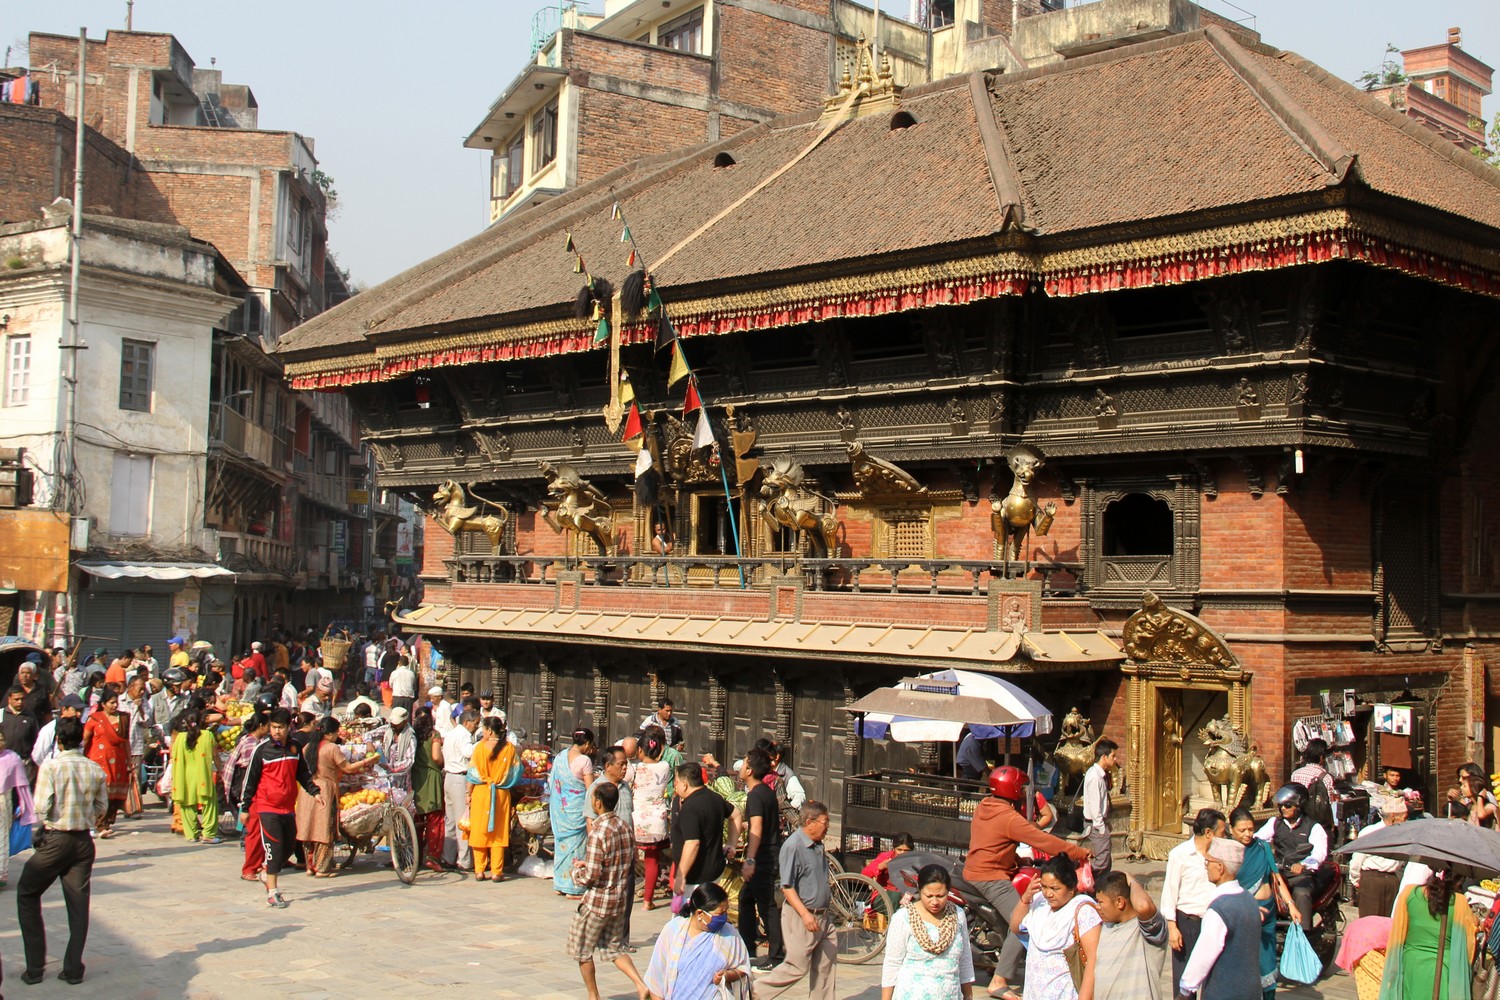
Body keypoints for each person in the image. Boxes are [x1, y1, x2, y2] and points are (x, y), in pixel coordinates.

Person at [964, 764, 1092, 1000]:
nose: (1023, 791)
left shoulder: (985, 806)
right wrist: (1077, 852)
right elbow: (1043, 841)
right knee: (1023, 922)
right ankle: (999, 980)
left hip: (974, 870)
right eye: (1021, 787)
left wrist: (1014, 857)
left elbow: (990, 842)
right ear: (1013, 790)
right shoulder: (1009, 818)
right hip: (991, 877)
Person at [17, 716, 106, 985]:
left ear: (58, 740)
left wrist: (39, 831)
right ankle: (73, 968)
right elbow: (101, 808)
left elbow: (41, 806)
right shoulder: (94, 768)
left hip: (56, 838)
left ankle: (35, 968)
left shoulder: (51, 767)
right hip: (82, 841)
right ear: (80, 739)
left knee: (27, 893)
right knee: (78, 907)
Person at [570, 781, 651, 1000]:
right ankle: (641, 984)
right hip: (619, 899)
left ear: (597, 803)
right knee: (614, 948)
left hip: (597, 901)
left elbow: (592, 875)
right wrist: (588, 864)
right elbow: (619, 860)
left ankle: (593, 995)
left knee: (582, 950)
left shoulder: (598, 832)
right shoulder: (623, 826)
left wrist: (576, 874)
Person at [239, 707, 320, 908]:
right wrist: (245, 807)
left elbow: (302, 773)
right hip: (267, 807)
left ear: (288, 727)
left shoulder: (294, 748)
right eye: (273, 727)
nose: (276, 731)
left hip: (288, 807)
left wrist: (315, 792)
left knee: (289, 846)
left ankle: (267, 872)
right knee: (273, 848)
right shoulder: (262, 750)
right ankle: (273, 892)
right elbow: (250, 780)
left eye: (280, 727)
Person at [756, 801, 836, 1000]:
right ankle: (755, 992)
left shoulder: (818, 844)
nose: (828, 827)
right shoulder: (793, 846)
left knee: (826, 967)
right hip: (802, 917)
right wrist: (805, 914)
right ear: (810, 822)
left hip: (824, 917)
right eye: (825, 822)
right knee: (797, 966)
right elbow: (787, 887)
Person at [1177, 837, 1261, 1000]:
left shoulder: (1220, 909)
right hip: (1251, 991)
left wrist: (1185, 989)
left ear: (1220, 867)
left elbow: (1204, 954)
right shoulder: (1250, 900)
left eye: (1208, 861)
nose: (1206, 866)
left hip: (1224, 992)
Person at [1227, 807, 1296, 1000]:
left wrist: (1291, 904)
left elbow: (1277, 878)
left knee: (1267, 964)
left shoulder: (1262, 847)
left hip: (1268, 912)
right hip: (1244, 914)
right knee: (1244, 963)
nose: (1248, 834)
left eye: (1250, 829)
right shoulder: (1227, 852)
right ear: (1231, 829)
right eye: (1242, 830)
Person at [1010, 854, 1101, 1000]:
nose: (1048, 893)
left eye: (1055, 888)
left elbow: (1093, 959)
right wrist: (1026, 898)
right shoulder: (1039, 902)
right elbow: (1015, 927)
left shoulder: (1083, 910)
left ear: (1071, 888)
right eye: (1044, 887)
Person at [296, 715, 377, 877]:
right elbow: (347, 768)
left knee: (309, 829)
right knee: (323, 829)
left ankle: (309, 866)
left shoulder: (308, 747)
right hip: (324, 791)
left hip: (307, 791)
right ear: (331, 733)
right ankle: (322, 868)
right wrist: (368, 761)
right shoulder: (331, 748)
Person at [880, 862, 975, 1000]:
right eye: (929, 896)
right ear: (920, 890)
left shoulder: (957, 915)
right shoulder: (903, 917)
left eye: (941, 896)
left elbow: (965, 960)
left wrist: (968, 996)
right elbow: (892, 963)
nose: (935, 902)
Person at [1379, 869, 1478, 999]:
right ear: (1458, 881)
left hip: (1412, 965)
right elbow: (1469, 943)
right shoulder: (1459, 902)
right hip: (1444, 967)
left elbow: (1399, 929)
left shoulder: (1409, 893)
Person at [647, 881, 752, 1000]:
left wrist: (728, 975)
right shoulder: (673, 931)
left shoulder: (729, 933)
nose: (725, 917)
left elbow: (743, 967)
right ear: (700, 914)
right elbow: (657, 977)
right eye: (720, 913)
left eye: (726, 911)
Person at [1161, 808, 1226, 994]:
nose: (1223, 837)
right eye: (1221, 832)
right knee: (1184, 981)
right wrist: (1172, 927)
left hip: (1213, 921)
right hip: (1187, 922)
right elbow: (1170, 891)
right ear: (1208, 833)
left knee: (1212, 979)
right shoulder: (1179, 854)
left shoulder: (1219, 857)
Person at [1254, 784, 1329, 932]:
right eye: (1281, 805)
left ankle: (1303, 934)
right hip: (1278, 873)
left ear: (1299, 805)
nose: (1283, 809)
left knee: (1302, 893)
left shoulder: (1314, 827)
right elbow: (1258, 839)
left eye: (1288, 805)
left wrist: (1303, 864)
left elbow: (1319, 853)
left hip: (1300, 875)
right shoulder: (1275, 823)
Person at [743, 749, 787, 967]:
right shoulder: (766, 792)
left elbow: (757, 828)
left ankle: (776, 954)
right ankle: (747, 947)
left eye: (744, 763)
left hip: (763, 857)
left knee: (766, 906)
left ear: (749, 770)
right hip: (769, 853)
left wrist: (750, 860)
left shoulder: (756, 795)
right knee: (746, 899)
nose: (741, 767)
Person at [1094, 872, 1167, 1000]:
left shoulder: (1146, 930)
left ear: (1120, 902)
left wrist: (1133, 882)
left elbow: (1143, 906)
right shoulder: (1106, 926)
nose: (1097, 907)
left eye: (1101, 902)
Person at [591, 746, 637, 943]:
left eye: (626, 764)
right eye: (621, 764)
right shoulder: (597, 788)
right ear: (608, 766)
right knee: (604, 896)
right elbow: (589, 821)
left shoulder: (625, 787)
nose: (625, 768)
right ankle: (601, 936)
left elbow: (630, 817)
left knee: (626, 897)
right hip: (606, 853)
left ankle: (621, 939)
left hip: (626, 852)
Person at [466, 716, 518, 882]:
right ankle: (497, 872)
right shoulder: (510, 749)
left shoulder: (479, 748)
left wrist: (468, 793)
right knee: (498, 832)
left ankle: (479, 870)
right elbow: (515, 772)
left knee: (479, 831)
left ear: (489, 730)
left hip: (481, 793)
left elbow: (472, 774)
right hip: (501, 794)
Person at [552, 727, 598, 897]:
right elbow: (590, 788)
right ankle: (574, 886)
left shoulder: (560, 757)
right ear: (586, 744)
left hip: (561, 811)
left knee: (563, 846)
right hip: (577, 810)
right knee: (577, 847)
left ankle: (560, 883)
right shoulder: (584, 761)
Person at [224, 715, 270, 882]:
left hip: (264, 792)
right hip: (250, 791)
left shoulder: (264, 742)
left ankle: (264, 862)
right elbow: (248, 774)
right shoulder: (249, 744)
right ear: (261, 725)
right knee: (253, 832)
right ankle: (249, 867)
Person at [632, 730, 674, 910]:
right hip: (657, 819)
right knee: (652, 860)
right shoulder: (664, 766)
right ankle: (648, 901)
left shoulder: (634, 768)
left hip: (637, 818)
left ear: (640, 751)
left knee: (629, 858)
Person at [1350, 796, 1410, 918]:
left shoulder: (1402, 835)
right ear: (1393, 816)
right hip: (1372, 880)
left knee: (1388, 922)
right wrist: (1356, 880)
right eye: (1404, 818)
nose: (1406, 821)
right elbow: (1357, 860)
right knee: (1370, 922)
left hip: (1392, 880)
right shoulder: (1370, 832)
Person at [80, 689, 129, 838]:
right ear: (103, 704)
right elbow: (85, 739)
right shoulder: (94, 719)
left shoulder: (123, 718)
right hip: (99, 760)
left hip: (119, 760)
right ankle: (99, 824)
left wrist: (129, 759)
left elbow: (126, 741)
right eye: (111, 703)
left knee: (114, 793)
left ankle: (107, 823)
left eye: (116, 702)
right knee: (102, 792)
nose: (115, 705)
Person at [171, 707, 222, 844]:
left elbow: (173, 756)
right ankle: (208, 834)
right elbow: (216, 756)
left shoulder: (180, 738)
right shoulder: (207, 735)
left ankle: (191, 834)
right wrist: (221, 769)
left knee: (187, 804)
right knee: (209, 804)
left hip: (185, 777)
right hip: (203, 775)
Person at [442, 708, 480, 871]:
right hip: (459, 778)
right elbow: (468, 752)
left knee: (450, 820)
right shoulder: (464, 734)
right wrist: (482, 742)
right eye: (476, 724)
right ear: (467, 722)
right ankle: (464, 860)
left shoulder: (451, 733)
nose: (477, 727)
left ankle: (448, 857)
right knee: (462, 821)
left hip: (449, 778)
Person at [409, 705, 446, 872]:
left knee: (417, 820)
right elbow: (436, 757)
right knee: (435, 820)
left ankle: (414, 855)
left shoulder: (411, 735)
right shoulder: (434, 735)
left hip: (416, 779)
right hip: (431, 778)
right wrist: (442, 764)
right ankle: (432, 857)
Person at [0, 730, 37, 888]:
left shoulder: (12, 758)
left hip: (3, 802)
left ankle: (1, 874)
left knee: (1, 838)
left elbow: (21, 784)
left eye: (1, 739)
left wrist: (24, 805)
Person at [1082, 738, 1119, 879]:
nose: (1114, 760)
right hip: (1096, 824)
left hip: (1099, 822)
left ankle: (1103, 886)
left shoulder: (1099, 775)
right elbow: (1094, 805)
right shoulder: (1095, 777)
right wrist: (1101, 827)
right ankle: (1085, 879)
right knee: (1102, 861)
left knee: (1106, 860)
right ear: (1104, 757)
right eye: (1113, 756)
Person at [117, 674, 151, 817]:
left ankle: (133, 808)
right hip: (120, 744)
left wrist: (140, 708)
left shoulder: (144, 702)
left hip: (135, 745)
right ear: (130, 687)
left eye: (144, 689)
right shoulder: (119, 701)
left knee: (134, 777)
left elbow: (146, 721)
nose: (142, 692)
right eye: (140, 688)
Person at [862, 832, 916, 909]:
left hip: (906, 896)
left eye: (906, 850)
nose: (902, 853)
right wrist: (880, 867)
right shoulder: (886, 857)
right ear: (894, 849)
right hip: (883, 896)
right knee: (895, 896)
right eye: (899, 850)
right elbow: (864, 873)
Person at [32, 695, 85, 767]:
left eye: (81, 710)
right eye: (76, 710)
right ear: (64, 710)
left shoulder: (81, 728)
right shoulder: (50, 728)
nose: (79, 714)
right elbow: (37, 755)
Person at [0, 686, 40, 765]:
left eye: (22, 699)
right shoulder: (1, 714)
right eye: (16, 699)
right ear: (9, 699)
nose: (20, 702)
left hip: (24, 762)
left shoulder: (30, 716)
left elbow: (35, 739)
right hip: (3, 760)